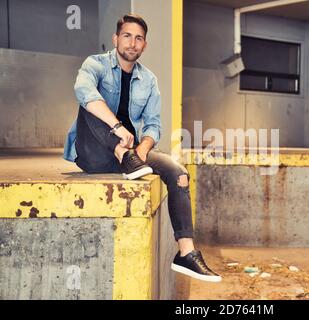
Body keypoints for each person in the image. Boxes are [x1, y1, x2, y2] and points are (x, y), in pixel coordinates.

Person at [63, 14, 221, 282]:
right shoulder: (96, 64)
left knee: (179, 172)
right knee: (91, 103)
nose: (132, 43)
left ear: (144, 45)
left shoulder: (148, 80)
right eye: (127, 36)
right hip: (93, 152)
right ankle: (122, 154)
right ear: (116, 39)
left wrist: (143, 149)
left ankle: (186, 254)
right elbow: (83, 91)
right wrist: (117, 130)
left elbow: (153, 126)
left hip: (132, 157)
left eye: (138, 38)